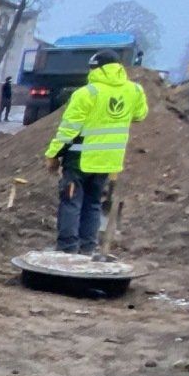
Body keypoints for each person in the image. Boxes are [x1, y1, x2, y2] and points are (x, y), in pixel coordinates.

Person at [45, 51, 149, 257]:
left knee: (71, 201)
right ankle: (87, 248)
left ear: (96, 69)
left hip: (80, 158)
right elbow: (140, 115)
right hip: (109, 160)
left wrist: (53, 155)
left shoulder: (87, 93)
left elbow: (69, 130)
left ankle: (67, 249)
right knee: (93, 203)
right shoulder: (134, 90)